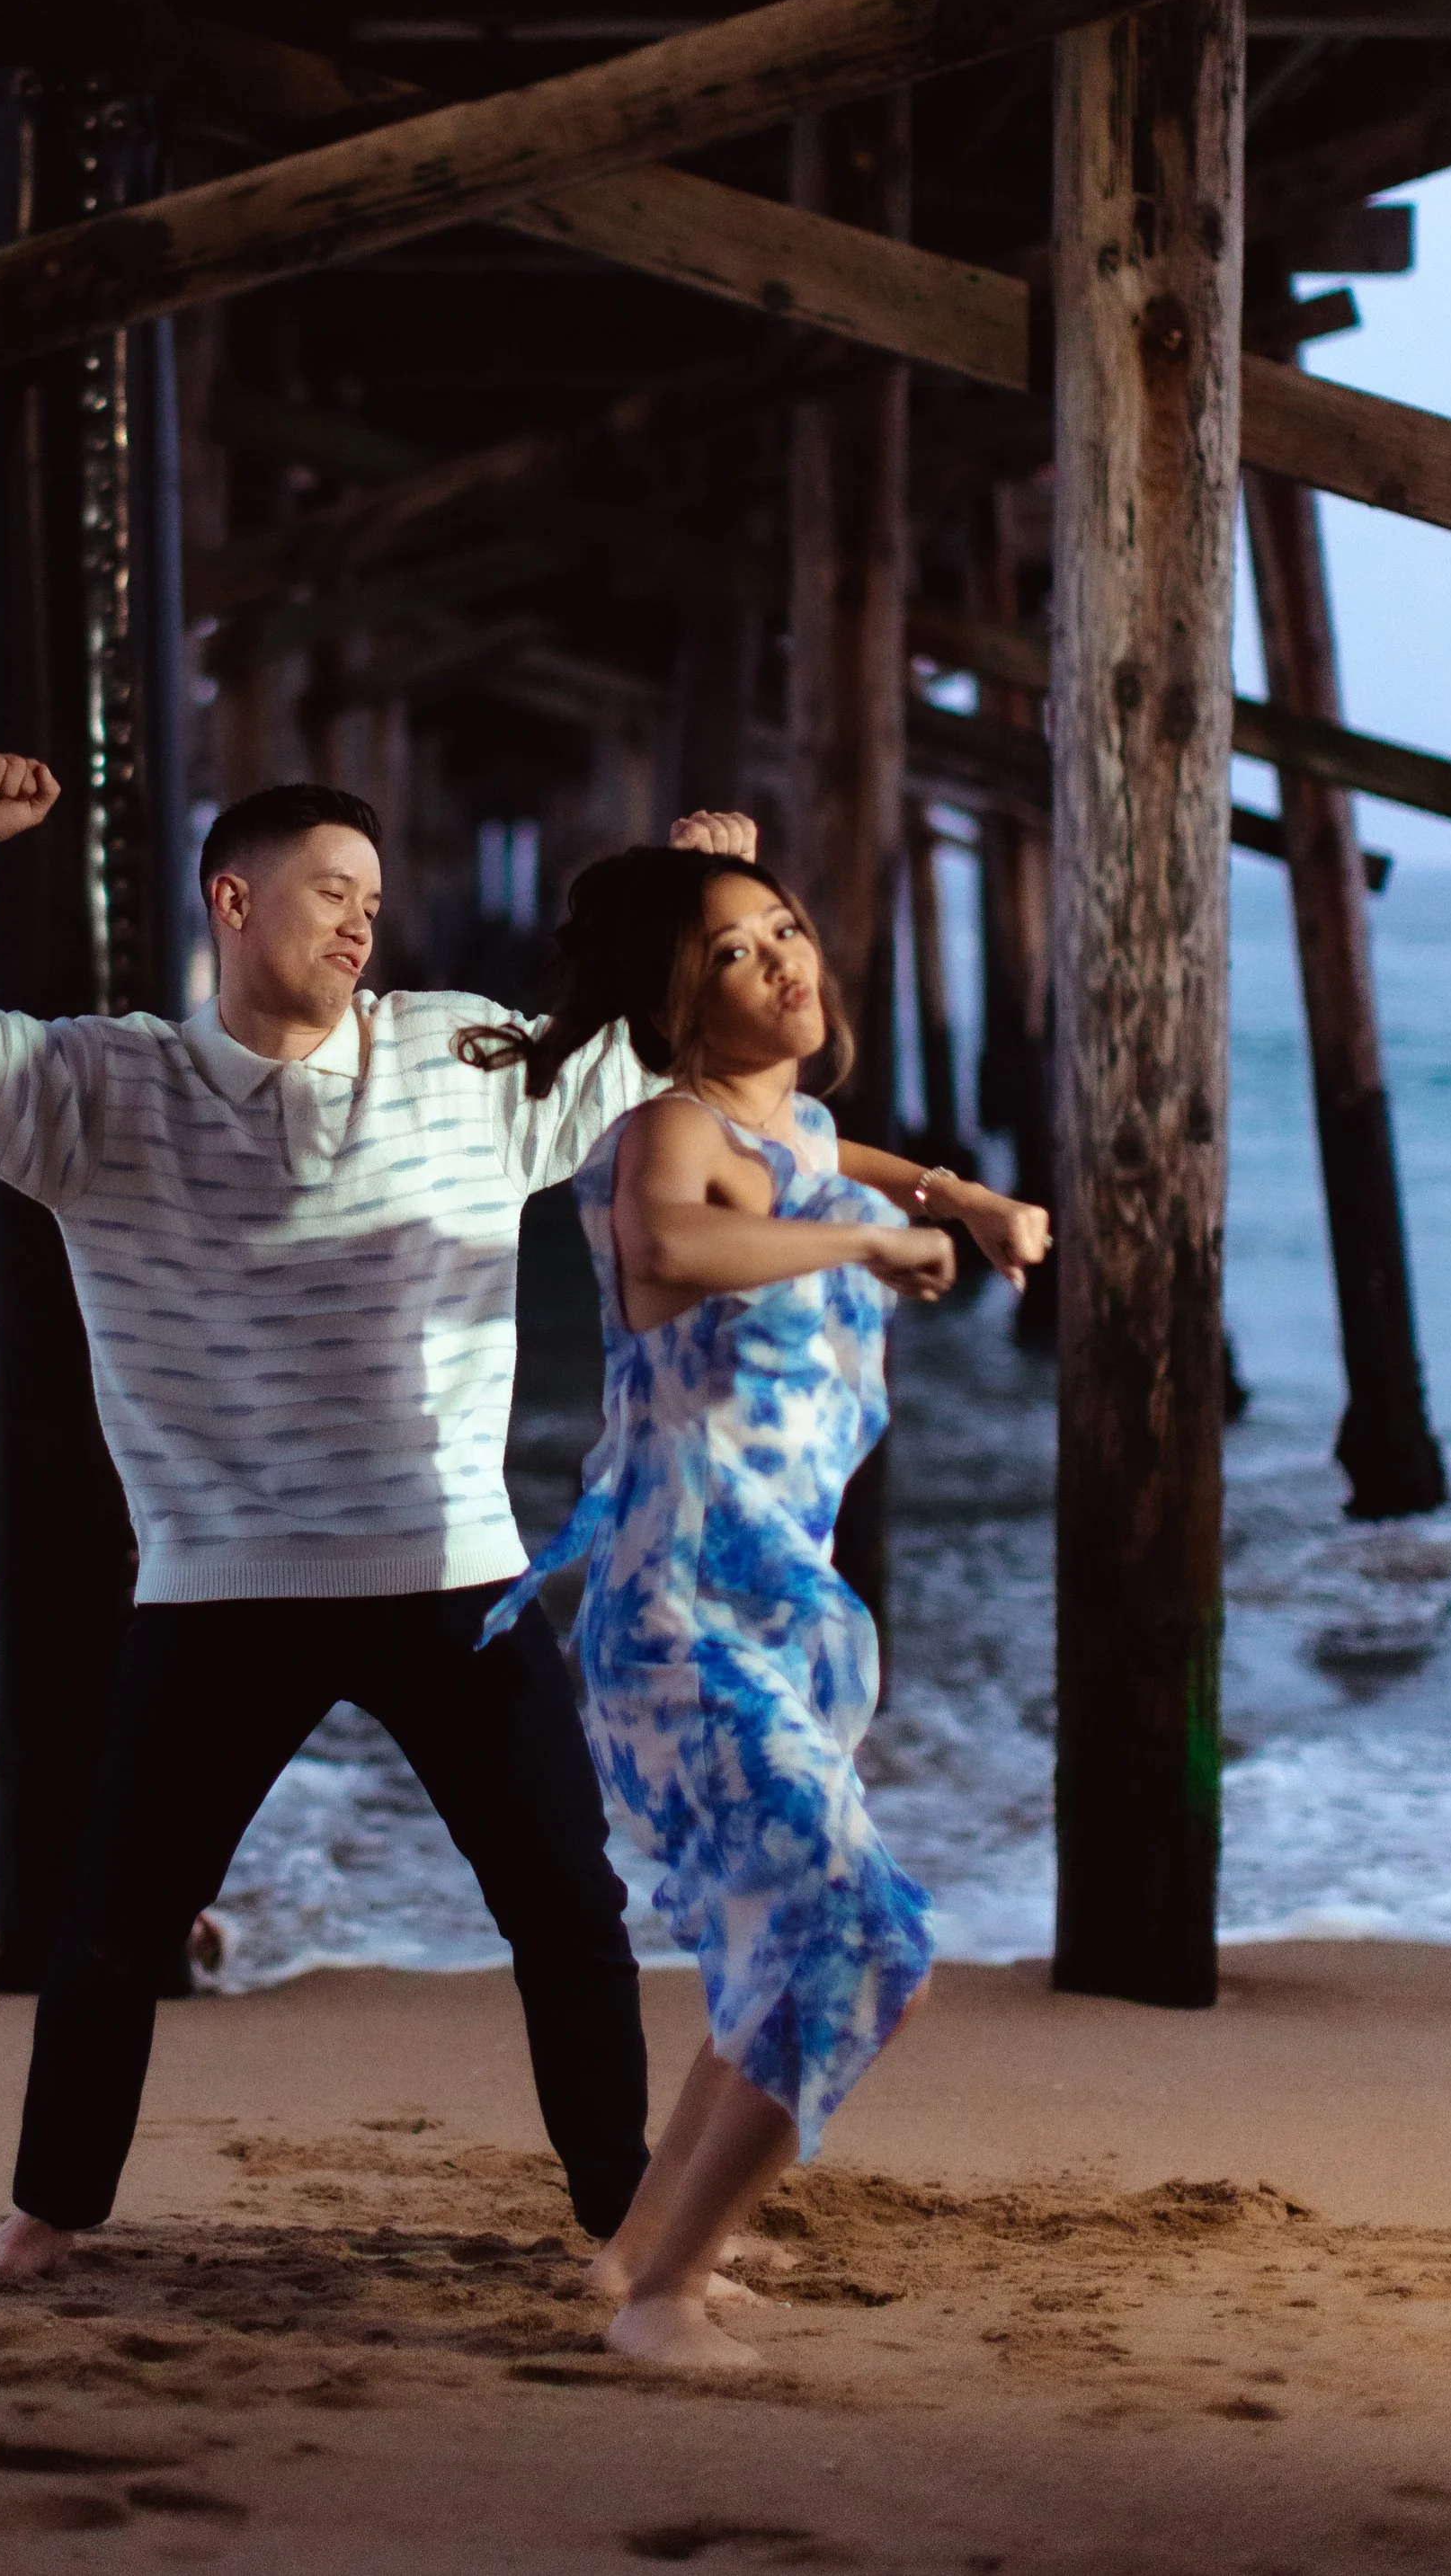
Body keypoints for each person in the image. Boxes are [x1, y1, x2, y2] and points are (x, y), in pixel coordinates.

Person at [0, 753, 761, 2281]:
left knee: (566, 1904)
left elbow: (676, 1038)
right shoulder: (102, 1084)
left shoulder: (465, 1054)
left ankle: (627, 2213)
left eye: (376, 901)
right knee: (119, 1922)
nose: (361, 925)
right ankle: (47, 2213)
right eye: (331, 892)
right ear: (235, 898)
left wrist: (700, 889)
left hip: (451, 1568)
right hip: (222, 1578)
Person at [460, 845, 1050, 2372]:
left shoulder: (804, 1131)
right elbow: (673, 1247)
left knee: (781, 1938)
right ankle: (664, 2303)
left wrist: (967, 1197)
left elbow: (841, 1163)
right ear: (674, 995)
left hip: (780, 1609)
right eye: (735, 950)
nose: (786, 957)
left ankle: (635, 2256)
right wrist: (868, 1239)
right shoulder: (665, 1133)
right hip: (679, 1611)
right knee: (864, 1944)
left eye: (788, 927)